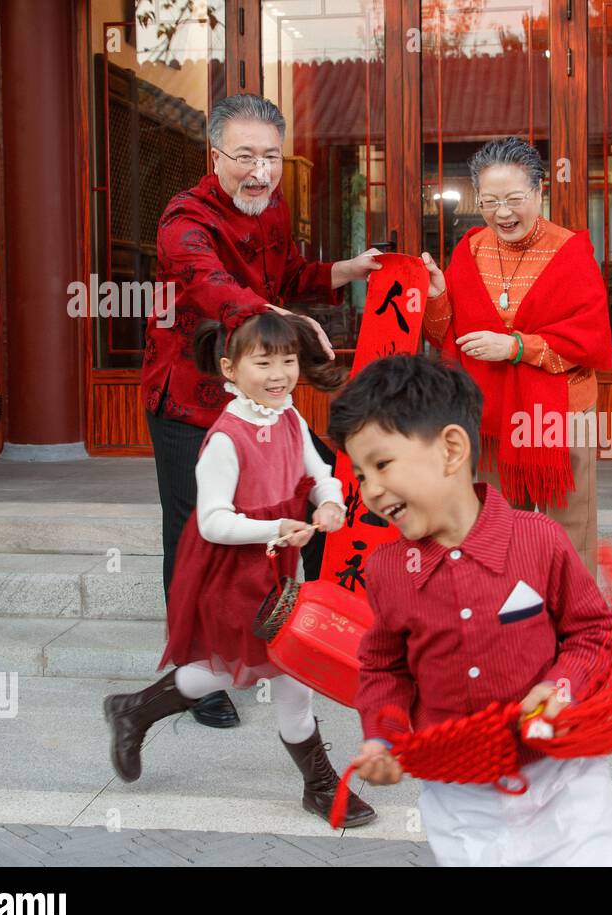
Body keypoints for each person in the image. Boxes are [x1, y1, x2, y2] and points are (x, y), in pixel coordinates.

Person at [327, 354, 612, 866]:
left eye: (381, 464)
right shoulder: (387, 571)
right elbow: (384, 668)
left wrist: (561, 687)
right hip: (458, 791)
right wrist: (384, 734)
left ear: (451, 449)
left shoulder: (539, 540)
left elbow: (596, 631)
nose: (370, 489)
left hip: (563, 777)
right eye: (359, 473)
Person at [142, 93, 382, 727]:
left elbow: (292, 274)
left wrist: (350, 269)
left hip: (262, 398)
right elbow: (217, 288)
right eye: (245, 156)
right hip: (190, 401)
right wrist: (280, 320)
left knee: (311, 496)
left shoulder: (271, 206)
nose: (260, 171)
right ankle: (198, 672)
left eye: (272, 157)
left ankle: (289, 639)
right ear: (214, 154)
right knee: (195, 534)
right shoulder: (182, 219)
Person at [106, 312, 377, 827]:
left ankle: (134, 710)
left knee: (248, 666)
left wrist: (330, 503)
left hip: (274, 570)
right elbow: (212, 522)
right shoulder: (227, 438)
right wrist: (276, 528)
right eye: (264, 362)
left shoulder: (290, 418)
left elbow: (319, 472)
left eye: (288, 361)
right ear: (230, 369)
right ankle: (321, 788)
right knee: (270, 664)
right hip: (232, 575)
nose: (279, 373)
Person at [419, 137, 612, 575]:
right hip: (492, 410)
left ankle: (575, 618)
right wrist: (436, 297)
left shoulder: (571, 252)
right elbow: (447, 337)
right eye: (489, 201)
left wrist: (517, 347)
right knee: (496, 520)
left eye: (513, 199)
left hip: (562, 408)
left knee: (570, 523)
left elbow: (590, 340)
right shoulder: (468, 250)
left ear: (540, 192)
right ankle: (506, 618)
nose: (502, 213)